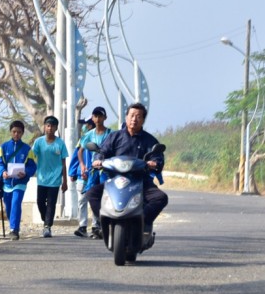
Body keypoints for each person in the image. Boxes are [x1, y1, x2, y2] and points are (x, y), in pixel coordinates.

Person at [85, 102, 167, 232]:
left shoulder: (149, 140)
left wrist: (155, 163)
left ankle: (142, 222)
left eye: (138, 116)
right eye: (132, 115)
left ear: (143, 120)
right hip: (115, 180)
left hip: (140, 181)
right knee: (92, 194)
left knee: (161, 198)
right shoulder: (114, 137)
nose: (134, 119)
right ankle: (104, 222)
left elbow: (157, 156)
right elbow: (102, 152)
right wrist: (98, 160)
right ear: (126, 117)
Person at [70, 106, 112, 238]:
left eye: (100, 116)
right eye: (96, 116)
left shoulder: (111, 134)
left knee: (100, 198)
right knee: (84, 198)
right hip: (89, 172)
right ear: (93, 118)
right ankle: (82, 226)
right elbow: (80, 151)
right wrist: (82, 166)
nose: (98, 119)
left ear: (105, 118)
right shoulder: (88, 135)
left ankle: (96, 226)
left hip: (105, 172)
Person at [0, 120, 37, 240]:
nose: (16, 134)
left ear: (22, 133)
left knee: (16, 202)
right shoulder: (3, 147)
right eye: (14, 132)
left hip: (20, 182)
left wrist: (26, 173)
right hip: (7, 183)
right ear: (10, 132)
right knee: (8, 205)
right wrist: (2, 172)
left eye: (19, 132)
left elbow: (32, 165)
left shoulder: (27, 149)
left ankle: (14, 229)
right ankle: (12, 225)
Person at [30, 115, 68, 238]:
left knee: (51, 203)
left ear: (56, 128)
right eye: (48, 125)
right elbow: (31, 156)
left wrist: (65, 181)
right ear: (45, 127)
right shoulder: (39, 142)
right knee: (40, 202)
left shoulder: (60, 143)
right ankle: (46, 219)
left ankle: (47, 226)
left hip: (55, 179)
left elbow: (63, 163)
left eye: (52, 126)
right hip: (41, 178)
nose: (50, 128)